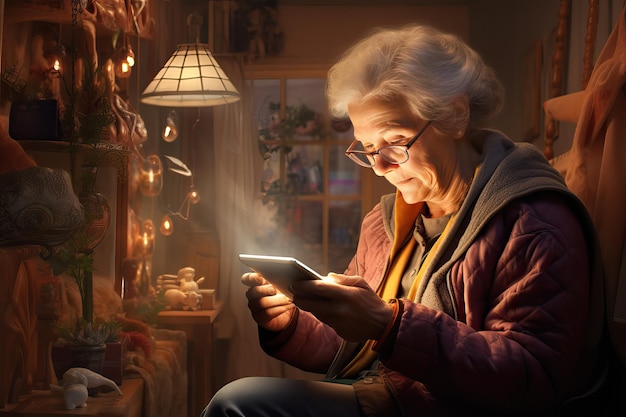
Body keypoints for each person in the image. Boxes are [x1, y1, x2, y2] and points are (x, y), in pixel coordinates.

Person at [203, 24, 606, 416]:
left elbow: (534, 375)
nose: (378, 167)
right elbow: (346, 345)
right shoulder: (385, 222)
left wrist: (389, 324)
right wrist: (290, 322)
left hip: (432, 406)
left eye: (396, 142)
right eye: (366, 148)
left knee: (237, 401)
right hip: (381, 392)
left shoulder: (534, 220)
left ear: (455, 115)